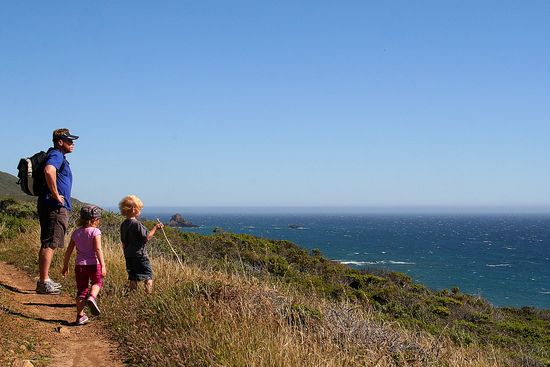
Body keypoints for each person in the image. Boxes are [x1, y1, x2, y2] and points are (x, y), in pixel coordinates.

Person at [36, 128, 79, 294]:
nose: (72, 144)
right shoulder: (57, 155)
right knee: (50, 242)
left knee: (48, 241)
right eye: (69, 141)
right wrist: (55, 194)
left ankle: (43, 280)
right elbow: (49, 170)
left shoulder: (57, 155)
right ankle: (44, 282)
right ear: (60, 141)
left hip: (49, 204)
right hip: (54, 206)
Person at [61, 205, 106, 326]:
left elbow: (69, 251)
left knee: (81, 290)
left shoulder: (76, 233)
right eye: (98, 219)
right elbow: (98, 249)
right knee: (97, 283)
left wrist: (65, 266)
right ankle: (92, 297)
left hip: (79, 266)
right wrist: (103, 265)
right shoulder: (95, 231)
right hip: (93, 264)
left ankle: (80, 316)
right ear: (94, 219)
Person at [119, 195, 163, 293]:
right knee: (148, 275)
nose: (140, 211)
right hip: (140, 255)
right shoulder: (137, 224)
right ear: (134, 209)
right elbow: (146, 237)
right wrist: (156, 227)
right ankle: (148, 296)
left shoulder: (124, 224)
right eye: (140, 208)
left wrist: (126, 253)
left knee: (133, 277)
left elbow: (123, 242)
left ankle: (132, 297)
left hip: (129, 255)